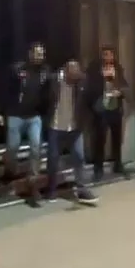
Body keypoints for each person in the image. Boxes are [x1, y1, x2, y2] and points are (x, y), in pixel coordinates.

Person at [0, 42, 52, 208]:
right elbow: (4, 91)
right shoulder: (17, 69)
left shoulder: (46, 72)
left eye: (42, 54)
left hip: (34, 116)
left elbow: (50, 92)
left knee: (36, 147)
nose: (40, 57)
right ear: (30, 53)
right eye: (37, 53)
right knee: (13, 147)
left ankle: (33, 184)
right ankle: (9, 173)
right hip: (15, 115)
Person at [45, 60, 99, 205]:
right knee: (53, 158)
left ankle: (82, 189)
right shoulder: (53, 80)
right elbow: (44, 99)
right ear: (66, 72)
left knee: (79, 156)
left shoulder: (81, 82)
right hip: (55, 126)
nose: (75, 79)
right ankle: (51, 188)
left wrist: (86, 119)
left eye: (77, 76)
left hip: (74, 126)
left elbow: (89, 101)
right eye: (73, 76)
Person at [85, 45, 130, 182]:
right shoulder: (95, 70)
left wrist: (120, 92)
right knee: (100, 140)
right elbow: (89, 88)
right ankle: (98, 168)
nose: (107, 58)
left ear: (113, 56)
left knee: (117, 138)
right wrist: (101, 79)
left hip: (115, 108)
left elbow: (125, 85)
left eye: (110, 55)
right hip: (101, 109)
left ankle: (118, 164)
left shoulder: (118, 69)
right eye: (105, 55)